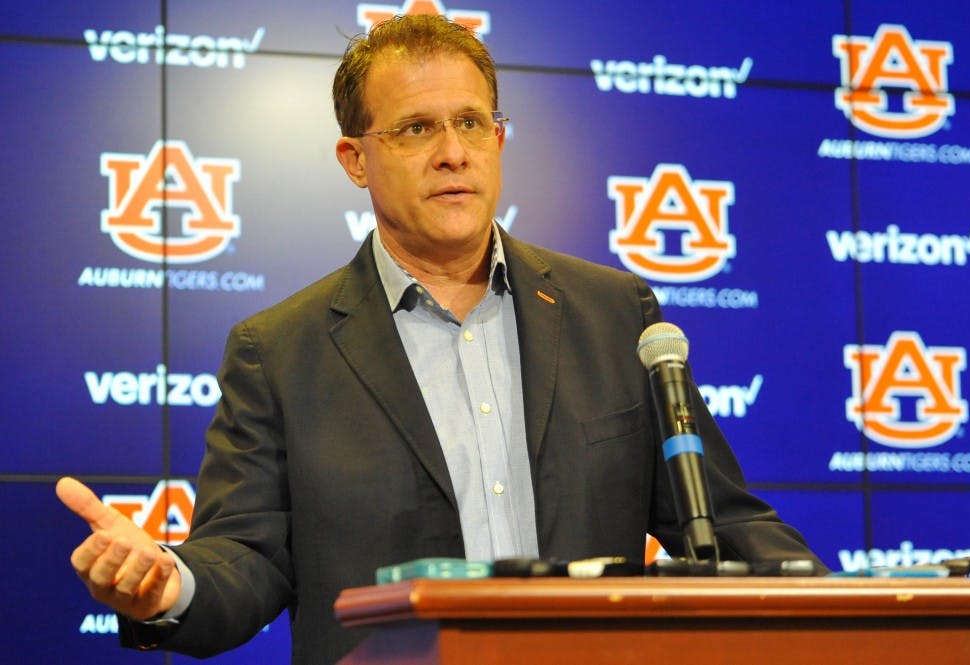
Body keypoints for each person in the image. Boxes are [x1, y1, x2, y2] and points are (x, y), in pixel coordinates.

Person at [56, 14, 825, 665]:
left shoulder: (613, 311)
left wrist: (862, 602)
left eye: (470, 124)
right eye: (416, 128)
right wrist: (169, 584)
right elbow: (248, 558)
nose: (452, 151)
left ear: (497, 139)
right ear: (355, 159)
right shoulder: (280, 351)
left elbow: (721, 520)